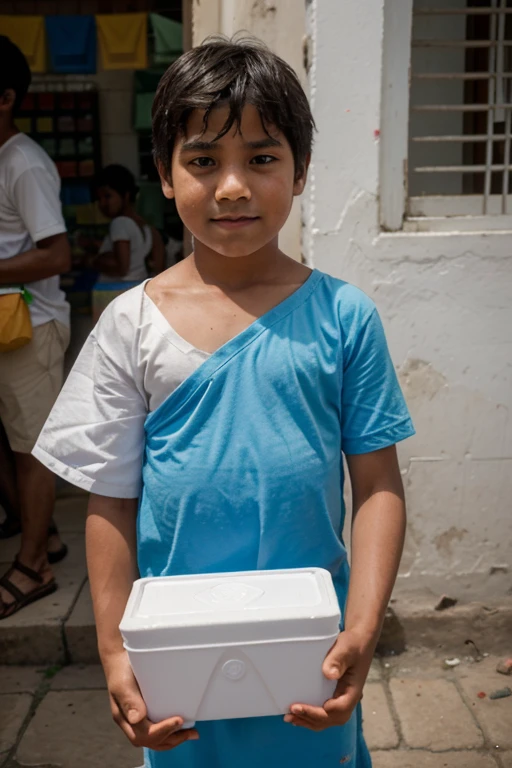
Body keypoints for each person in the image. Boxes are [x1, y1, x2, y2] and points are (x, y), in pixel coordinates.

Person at [33, 37, 415, 767]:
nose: (232, 186)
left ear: (300, 171)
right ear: (166, 176)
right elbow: (109, 504)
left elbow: (376, 486)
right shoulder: (131, 322)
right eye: (204, 160)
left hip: (312, 647)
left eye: (262, 158)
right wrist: (116, 652)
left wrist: (361, 627)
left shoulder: (344, 317)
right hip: (177, 653)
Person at [0, 36, 71, 619]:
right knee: (12, 443)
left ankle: (33, 567)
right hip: (7, 326)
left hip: (31, 327)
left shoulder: (22, 163)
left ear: (4, 99)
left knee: (33, 452)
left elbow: (56, 254)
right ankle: (40, 536)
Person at [88, 164, 165, 281]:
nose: (102, 203)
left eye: (107, 196)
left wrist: (91, 260)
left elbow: (121, 267)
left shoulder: (120, 223)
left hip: (116, 291)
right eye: (99, 199)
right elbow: (158, 269)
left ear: (126, 195)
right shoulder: (147, 228)